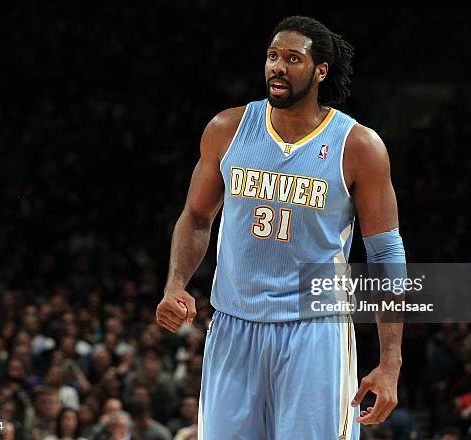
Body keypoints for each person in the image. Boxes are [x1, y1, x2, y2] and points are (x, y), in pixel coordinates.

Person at [156, 15, 405, 439]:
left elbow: (385, 255)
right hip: (234, 325)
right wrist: (176, 284)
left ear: (320, 71)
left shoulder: (358, 146)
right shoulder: (227, 130)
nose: (278, 67)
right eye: (273, 56)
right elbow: (197, 217)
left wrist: (390, 362)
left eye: (293, 58)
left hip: (315, 333)